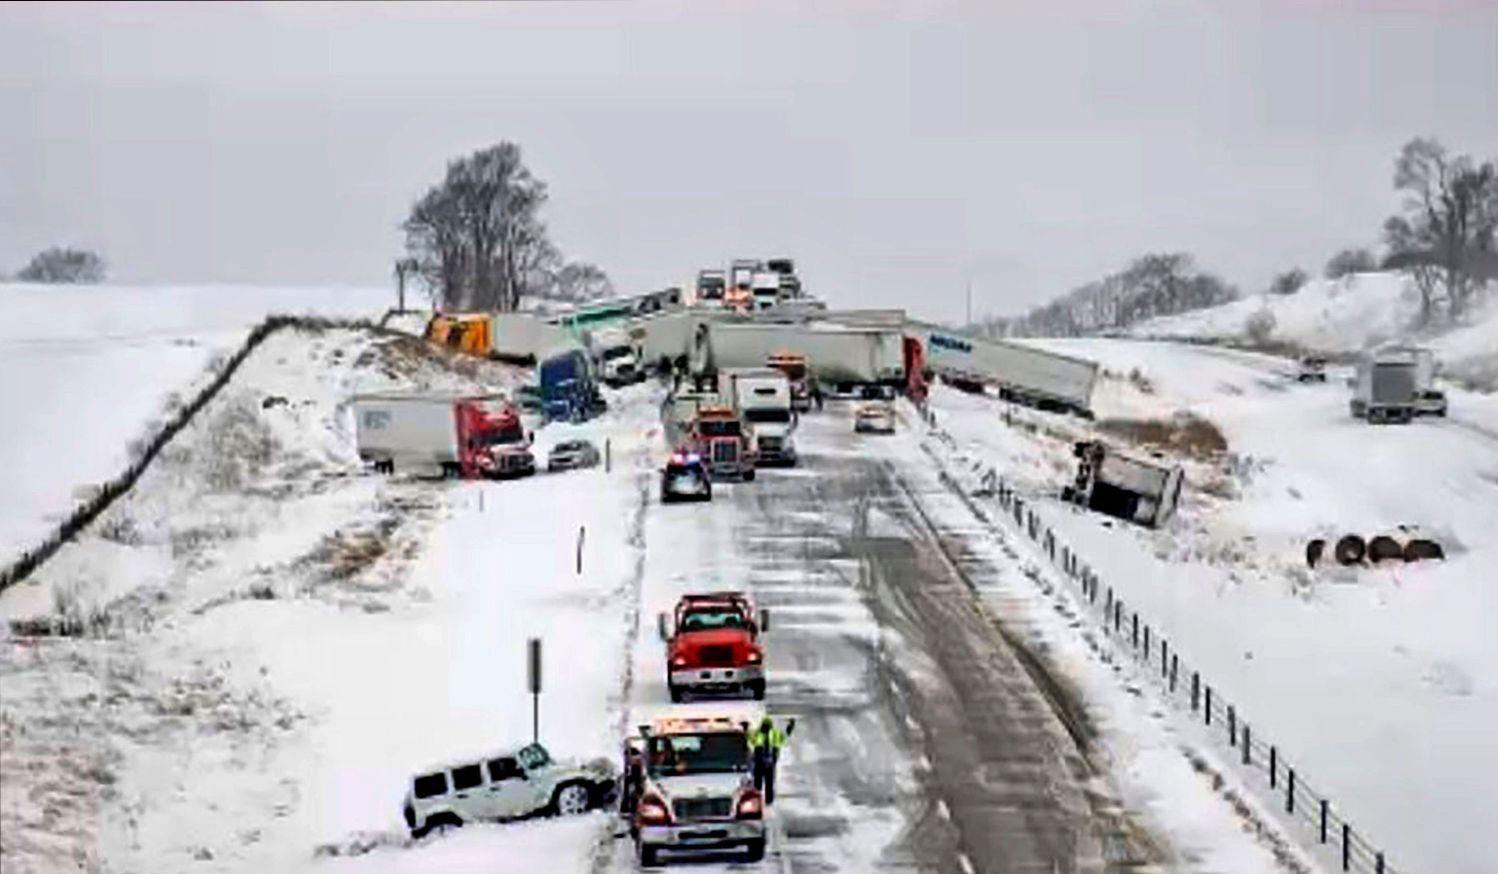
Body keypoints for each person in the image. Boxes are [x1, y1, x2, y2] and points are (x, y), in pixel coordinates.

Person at [746, 715, 795, 804]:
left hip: (769, 762)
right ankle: (758, 800)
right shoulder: (758, 733)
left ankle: (768, 800)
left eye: (766, 727)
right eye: (764, 727)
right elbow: (749, 737)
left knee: (768, 784)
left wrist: (790, 727)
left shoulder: (774, 734)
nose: (765, 729)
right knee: (758, 784)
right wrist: (745, 728)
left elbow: (785, 735)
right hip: (760, 762)